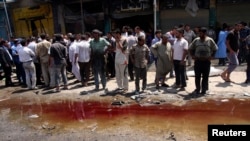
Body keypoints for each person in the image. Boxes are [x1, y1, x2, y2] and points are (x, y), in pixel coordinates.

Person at [189, 27, 218, 95]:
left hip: (206, 62)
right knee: (197, 76)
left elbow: (215, 48)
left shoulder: (210, 40)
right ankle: (197, 89)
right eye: (199, 33)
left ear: (205, 33)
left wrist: (212, 56)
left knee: (205, 77)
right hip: (198, 61)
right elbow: (190, 48)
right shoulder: (196, 40)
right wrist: (193, 56)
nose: (199, 34)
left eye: (201, 33)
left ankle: (204, 90)